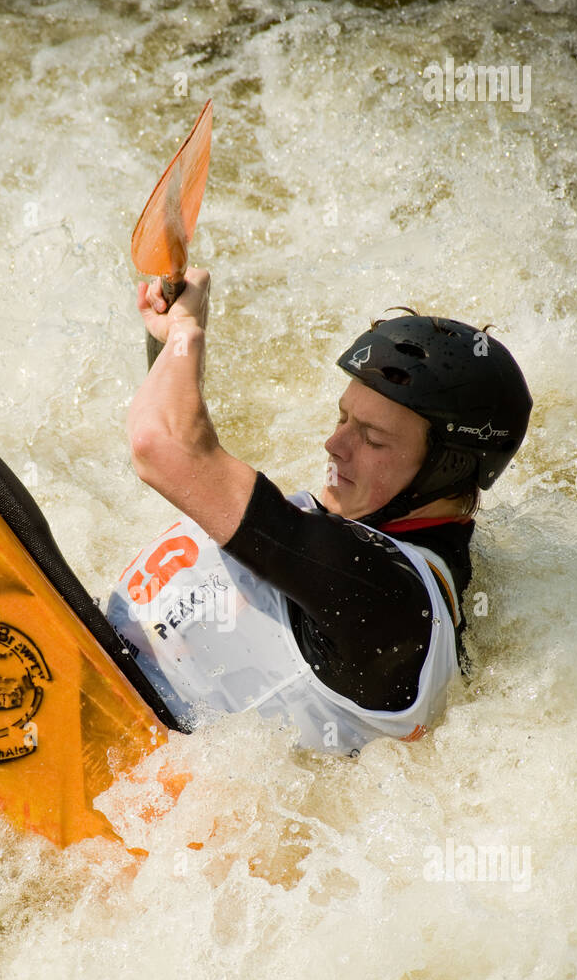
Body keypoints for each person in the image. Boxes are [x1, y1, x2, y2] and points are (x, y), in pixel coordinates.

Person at [105, 269, 532, 754]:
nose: (335, 444)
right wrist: (170, 350)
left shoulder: (381, 593)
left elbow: (160, 447)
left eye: (372, 438)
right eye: (342, 417)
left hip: (120, 777)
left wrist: (188, 333)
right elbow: (188, 460)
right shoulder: (364, 548)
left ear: (447, 468)